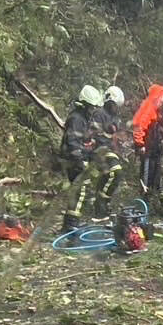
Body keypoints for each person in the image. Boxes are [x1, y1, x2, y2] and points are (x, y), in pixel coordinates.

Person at [60, 85, 103, 232]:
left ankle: (72, 222)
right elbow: (72, 142)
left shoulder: (83, 119)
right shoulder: (76, 119)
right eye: (91, 108)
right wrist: (80, 160)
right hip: (73, 160)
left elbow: (84, 141)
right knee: (80, 190)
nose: (93, 111)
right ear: (84, 105)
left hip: (78, 158)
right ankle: (70, 224)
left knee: (81, 190)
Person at [90, 85, 125, 218]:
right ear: (110, 102)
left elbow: (115, 134)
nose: (117, 109)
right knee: (116, 171)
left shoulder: (114, 117)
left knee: (108, 177)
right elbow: (95, 133)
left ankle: (102, 207)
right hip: (99, 149)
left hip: (108, 149)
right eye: (115, 105)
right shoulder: (99, 114)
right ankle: (101, 204)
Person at [132, 84, 163, 199]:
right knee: (147, 174)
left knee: (156, 173)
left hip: (155, 149)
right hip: (147, 149)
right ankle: (145, 197)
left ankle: (153, 196)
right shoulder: (148, 109)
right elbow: (138, 126)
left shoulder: (156, 110)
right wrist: (140, 144)